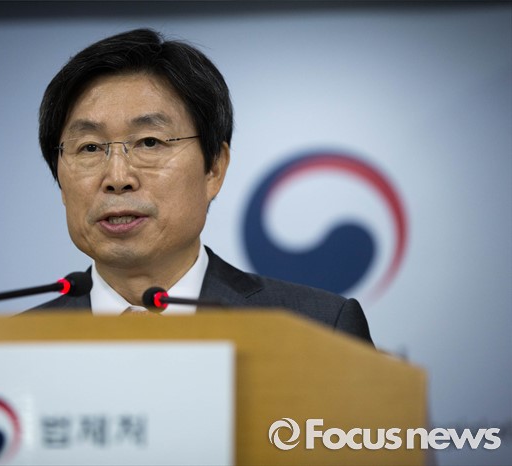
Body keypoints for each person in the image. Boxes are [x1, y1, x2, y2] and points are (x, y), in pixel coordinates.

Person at [28, 28, 373, 344]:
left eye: (149, 142)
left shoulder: (318, 329)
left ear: (214, 169)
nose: (118, 179)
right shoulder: (15, 346)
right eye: (89, 147)